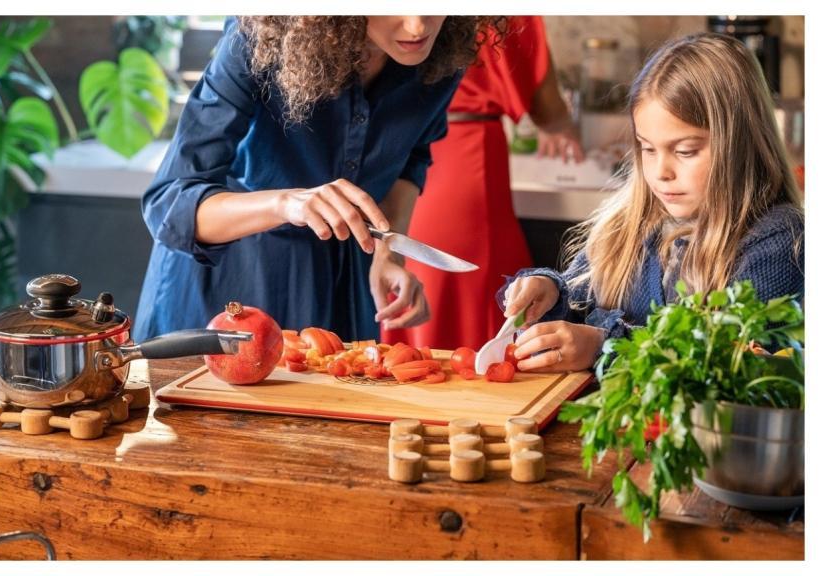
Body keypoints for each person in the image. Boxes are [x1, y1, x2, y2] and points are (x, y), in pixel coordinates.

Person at [133, 16, 503, 341]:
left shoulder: (441, 53)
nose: (418, 25)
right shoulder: (260, 35)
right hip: (224, 288)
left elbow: (412, 158)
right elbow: (169, 203)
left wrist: (387, 255)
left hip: (339, 287)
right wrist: (286, 203)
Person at [499, 32, 804, 372]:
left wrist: (604, 347)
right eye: (647, 148)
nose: (660, 172)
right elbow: (577, 302)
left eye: (685, 151)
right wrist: (549, 292)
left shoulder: (779, 241)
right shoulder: (627, 226)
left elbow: (727, 365)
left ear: (741, 145)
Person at [381, 16, 583, 351]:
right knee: (486, 294)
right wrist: (563, 128)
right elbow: (549, 111)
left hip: (399, 153)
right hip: (468, 158)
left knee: (417, 287)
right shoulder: (506, 15)